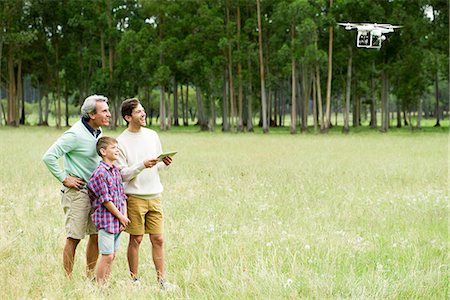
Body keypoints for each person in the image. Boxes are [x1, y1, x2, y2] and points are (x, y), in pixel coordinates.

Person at [42, 95, 111, 278]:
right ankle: (68, 279)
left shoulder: (98, 132)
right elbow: (49, 156)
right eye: (104, 111)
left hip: (95, 193)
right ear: (91, 114)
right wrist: (65, 178)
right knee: (74, 237)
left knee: (95, 235)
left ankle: (89, 277)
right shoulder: (75, 134)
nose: (109, 114)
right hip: (77, 193)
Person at [116, 98, 177, 291]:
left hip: (155, 195)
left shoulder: (152, 135)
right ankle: (134, 280)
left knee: (158, 239)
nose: (143, 114)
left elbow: (158, 166)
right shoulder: (120, 142)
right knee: (136, 239)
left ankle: (162, 281)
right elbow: (122, 174)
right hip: (134, 197)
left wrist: (164, 164)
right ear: (128, 117)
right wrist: (142, 165)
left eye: (143, 111)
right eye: (138, 112)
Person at [87, 137, 130, 286]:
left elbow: (121, 196)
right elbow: (106, 200)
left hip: (118, 220)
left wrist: (124, 216)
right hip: (107, 221)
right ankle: (99, 286)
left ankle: (106, 282)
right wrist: (120, 216)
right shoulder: (100, 173)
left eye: (117, 147)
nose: (117, 150)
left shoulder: (115, 171)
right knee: (107, 255)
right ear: (103, 151)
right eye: (113, 148)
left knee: (113, 255)